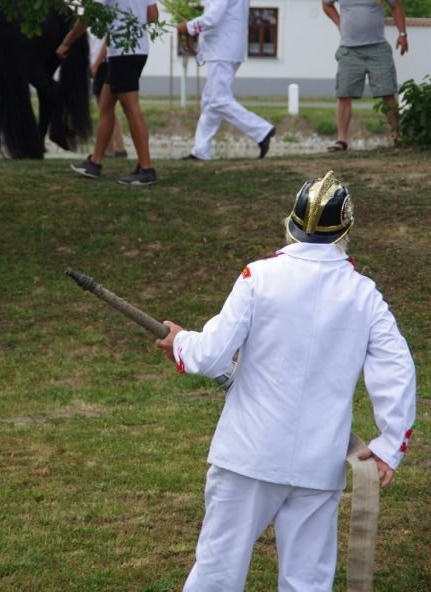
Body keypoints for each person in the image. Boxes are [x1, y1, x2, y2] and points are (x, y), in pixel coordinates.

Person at [157, 170, 416, 592]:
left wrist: (181, 343)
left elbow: (212, 353)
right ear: (345, 230)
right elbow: (397, 369)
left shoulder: (258, 277)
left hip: (247, 454)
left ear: (292, 224)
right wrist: (390, 444)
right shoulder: (364, 295)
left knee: (217, 574)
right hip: (319, 461)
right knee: (306, 583)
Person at [56, 0, 158, 186]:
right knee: (105, 104)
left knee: (131, 109)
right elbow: (153, 15)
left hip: (123, 52)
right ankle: (95, 162)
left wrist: (66, 43)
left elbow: (89, 16)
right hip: (136, 50)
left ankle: (146, 169)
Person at [177, 0, 276, 161]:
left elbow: (212, 18)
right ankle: (201, 151)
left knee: (219, 100)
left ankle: (261, 130)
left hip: (221, 51)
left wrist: (188, 27)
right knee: (210, 102)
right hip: (230, 49)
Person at [322, 0, 408, 152]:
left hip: (378, 48)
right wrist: (339, 22)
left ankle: (398, 137)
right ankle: (342, 140)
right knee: (344, 95)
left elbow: (395, 6)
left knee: (388, 93)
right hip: (349, 50)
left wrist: (402, 34)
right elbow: (326, 3)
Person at [89, 38, 127, 158]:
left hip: (103, 63)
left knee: (104, 108)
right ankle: (119, 146)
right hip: (105, 62)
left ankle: (109, 148)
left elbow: (108, 40)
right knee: (109, 108)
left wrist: (95, 65)